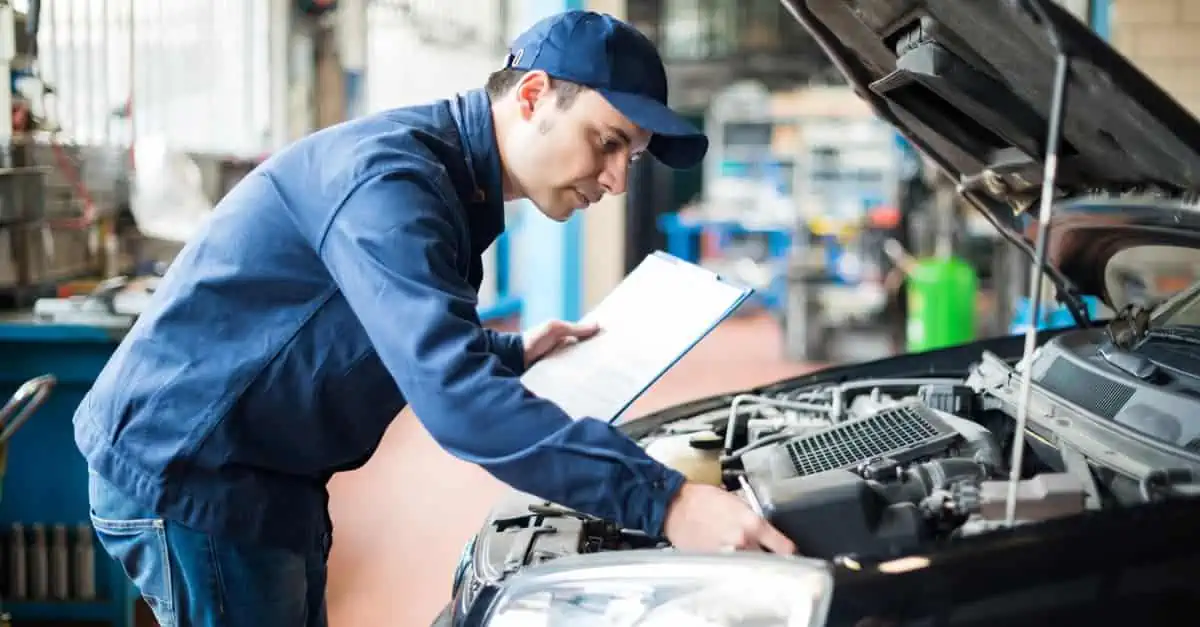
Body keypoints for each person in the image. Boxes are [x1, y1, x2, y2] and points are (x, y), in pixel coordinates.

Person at [74, 10, 795, 627]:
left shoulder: (452, 183)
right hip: (197, 470)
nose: (614, 179)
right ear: (534, 95)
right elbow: (457, 405)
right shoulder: (393, 182)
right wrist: (668, 502)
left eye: (630, 159)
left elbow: (362, 318)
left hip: (269, 472)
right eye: (607, 141)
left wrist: (507, 351)